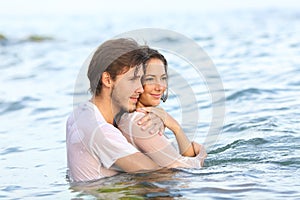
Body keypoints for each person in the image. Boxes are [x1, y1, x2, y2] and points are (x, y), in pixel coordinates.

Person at [66, 38, 163, 183]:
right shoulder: (101, 132)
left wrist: (157, 117)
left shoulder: (80, 113)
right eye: (132, 79)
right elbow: (161, 175)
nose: (141, 88)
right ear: (107, 79)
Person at [116, 48, 207, 168]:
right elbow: (183, 168)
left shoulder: (147, 118)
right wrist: (202, 153)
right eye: (150, 79)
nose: (160, 87)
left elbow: (186, 157)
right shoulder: (140, 122)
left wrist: (175, 127)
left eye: (163, 78)